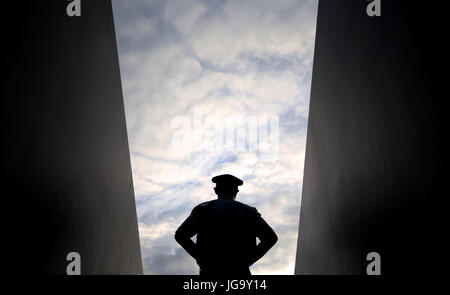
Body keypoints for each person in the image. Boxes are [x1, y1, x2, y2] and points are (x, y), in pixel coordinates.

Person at [175, 174, 278, 276]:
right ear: (236, 191)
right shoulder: (249, 211)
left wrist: (201, 258)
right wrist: (247, 261)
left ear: (216, 190)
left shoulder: (203, 209)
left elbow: (180, 235)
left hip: (210, 272)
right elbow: (271, 238)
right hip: (240, 272)